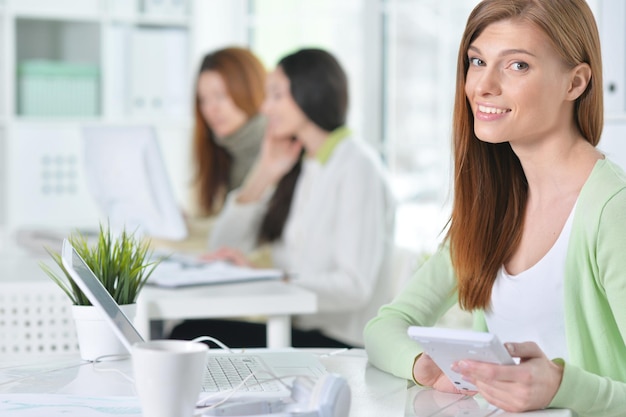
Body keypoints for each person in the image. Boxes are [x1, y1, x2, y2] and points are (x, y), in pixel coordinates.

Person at [364, 1, 626, 416]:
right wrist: (427, 368)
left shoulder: (613, 211)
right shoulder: (497, 206)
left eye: (517, 66)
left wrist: (562, 387)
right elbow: (385, 326)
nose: (482, 85)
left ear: (575, 83)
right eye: (477, 60)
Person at [170, 48, 396, 348]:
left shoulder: (356, 167)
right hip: (297, 331)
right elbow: (223, 246)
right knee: (186, 332)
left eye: (276, 96)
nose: (265, 108)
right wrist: (264, 172)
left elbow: (354, 287)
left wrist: (267, 279)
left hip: (341, 343)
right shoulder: (301, 165)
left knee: (189, 337)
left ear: (309, 95)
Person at [190, 47, 267, 217]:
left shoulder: (276, 149)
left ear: (249, 90)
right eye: (203, 99)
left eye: (220, 96)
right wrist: (190, 223)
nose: (211, 109)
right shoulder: (217, 147)